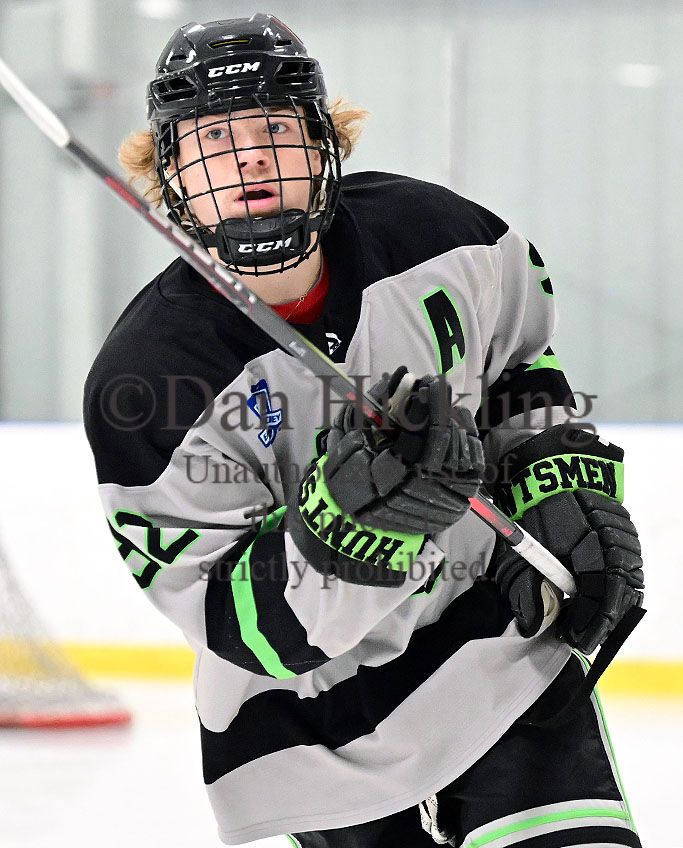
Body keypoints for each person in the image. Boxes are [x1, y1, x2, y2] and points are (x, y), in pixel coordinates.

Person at [83, 13, 645, 848]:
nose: (251, 159)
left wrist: (560, 489)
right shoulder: (149, 377)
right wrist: (348, 526)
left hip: (497, 654)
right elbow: (238, 624)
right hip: (312, 731)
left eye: (275, 129)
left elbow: (520, 369)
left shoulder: (445, 237)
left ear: (325, 143)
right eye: (215, 140)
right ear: (171, 175)